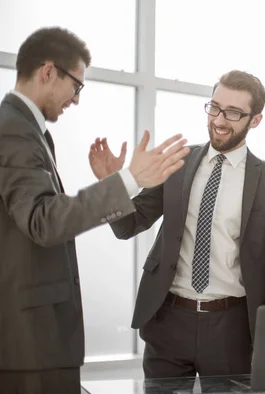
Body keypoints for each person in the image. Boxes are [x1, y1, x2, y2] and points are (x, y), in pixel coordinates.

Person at [0, 27, 189, 393]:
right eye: (77, 86)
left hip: (31, 337)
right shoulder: (14, 130)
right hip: (27, 341)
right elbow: (44, 221)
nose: (76, 100)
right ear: (49, 71)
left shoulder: (26, 129)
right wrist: (128, 181)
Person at [90, 70, 265, 378]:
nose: (220, 120)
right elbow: (129, 225)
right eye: (214, 107)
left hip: (232, 329)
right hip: (167, 322)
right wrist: (111, 184)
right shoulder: (177, 163)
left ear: (256, 120)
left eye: (234, 113)